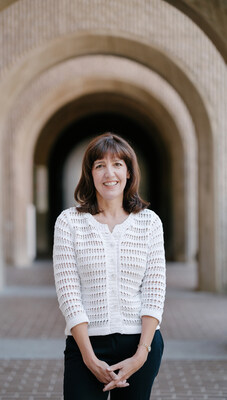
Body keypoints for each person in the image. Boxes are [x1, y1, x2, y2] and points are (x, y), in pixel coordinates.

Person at [53, 133, 166, 400]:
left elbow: (155, 290)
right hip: (86, 345)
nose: (109, 173)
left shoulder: (149, 223)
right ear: (90, 174)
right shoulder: (69, 222)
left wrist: (141, 355)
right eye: (100, 165)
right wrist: (89, 358)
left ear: (128, 172)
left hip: (140, 343)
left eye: (117, 164)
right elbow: (68, 293)